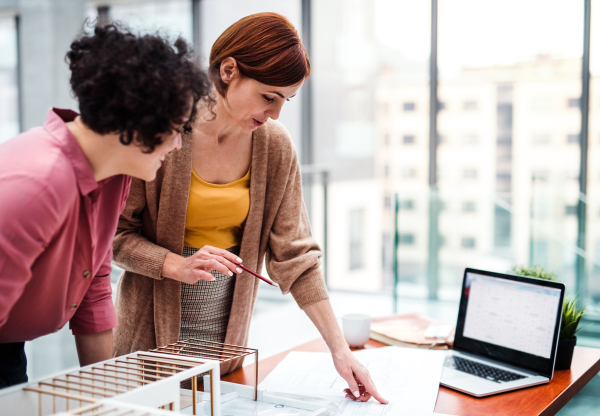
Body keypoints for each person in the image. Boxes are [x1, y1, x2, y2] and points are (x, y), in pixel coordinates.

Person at [112, 12, 386, 404]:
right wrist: (176, 265)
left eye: (285, 100)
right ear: (228, 70)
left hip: (226, 351)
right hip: (146, 349)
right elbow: (115, 237)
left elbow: (297, 257)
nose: (275, 113)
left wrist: (339, 351)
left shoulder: (274, 145)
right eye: (268, 96)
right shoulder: (161, 129)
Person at [0, 23, 211, 388]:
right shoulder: (39, 186)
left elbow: (93, 282)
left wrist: (106, 398)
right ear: (136, 122)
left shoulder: (113, 175)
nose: (177, 145)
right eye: (176, 128)